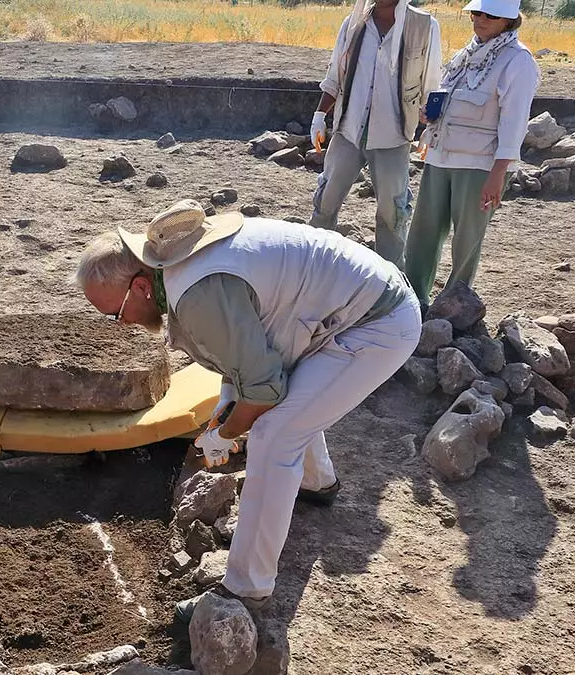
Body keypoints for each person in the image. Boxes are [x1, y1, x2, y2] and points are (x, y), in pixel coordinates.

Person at [74, 200, 420, 607]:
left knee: (275, 435)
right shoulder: (182, 271)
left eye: (115, 314)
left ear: (140, 287)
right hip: (347, 305)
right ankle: (317, 483)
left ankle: (245, 589)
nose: (123, 324)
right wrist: (228, 405)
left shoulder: (197, 294)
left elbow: (263, 389)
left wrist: (226, 434)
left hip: (376, 323)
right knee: (292, 409)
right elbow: (248, 353)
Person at [405, 0, 540, 310]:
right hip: (440, 156)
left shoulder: (518, 61)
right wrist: (431, 114)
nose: (479, 19)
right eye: (475, 13)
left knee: (467, 239)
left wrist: (498, 174)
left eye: (489, 15)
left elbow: (514, 122)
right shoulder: (464, 55)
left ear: (508, 20)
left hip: (479, 164)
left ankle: (455, 307)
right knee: (423, 230)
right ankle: (412, 297)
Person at [309, 0, 441, 269]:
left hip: (393, 137)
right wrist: (319, 115)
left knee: (393, 214)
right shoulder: (354, 23)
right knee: (326, 201)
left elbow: (432, 85)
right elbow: (335, 75)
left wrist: (431, 128)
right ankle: (313, 268)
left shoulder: (424, 27)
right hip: (348, 131)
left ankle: (390, 282)